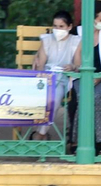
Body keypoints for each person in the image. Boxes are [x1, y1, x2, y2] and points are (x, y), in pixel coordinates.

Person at [27, 10, 78, 141]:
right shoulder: (47, 40)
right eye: (55, 26)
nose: (57, 29)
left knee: (53, 100)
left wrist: (72, 66)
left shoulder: (76, 41)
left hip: (62, 78)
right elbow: (41, 63)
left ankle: (40, 134)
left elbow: (77, 64)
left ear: (69, 27)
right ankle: (40, 133)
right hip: (45, 78)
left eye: (61, 26)